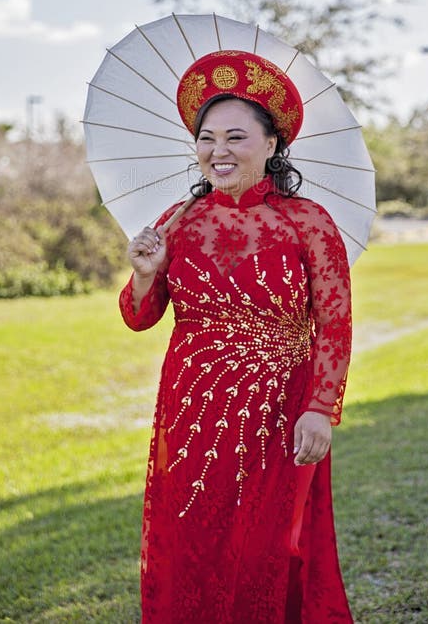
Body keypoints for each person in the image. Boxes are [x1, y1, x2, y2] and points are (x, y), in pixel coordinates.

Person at [119, 49, 353, 623]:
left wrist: (321, 408)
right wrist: (145, 274)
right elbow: (138, 316)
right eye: (205, 138)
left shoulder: (308, 221)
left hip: (281, 406)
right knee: (194, 537)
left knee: (273, 545)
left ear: (272, 144)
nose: (217, 151)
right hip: (193, 405)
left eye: (235, 137)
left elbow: (336, 321)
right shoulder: (178, 219)